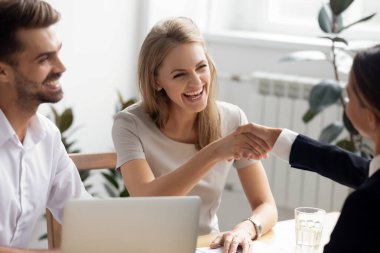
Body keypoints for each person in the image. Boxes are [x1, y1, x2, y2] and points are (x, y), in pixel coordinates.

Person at [112, 17, 277, 253]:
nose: (196, 82)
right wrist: (216, 151)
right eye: (180, 75)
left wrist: (246, 228)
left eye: (201, 67)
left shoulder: (232, 118)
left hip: (205, 247)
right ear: (156, 81)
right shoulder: (129, 124)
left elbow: (266, 205)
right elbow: (148, 201)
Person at [236, 45, 380, 252]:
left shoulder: (365, 205)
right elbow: (362, 170)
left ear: (370, 118)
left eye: (349, 97)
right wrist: (282, 140)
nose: (345, 104)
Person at [0, 0, 91, 252]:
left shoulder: (46, 136)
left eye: (57, 53)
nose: (61, 68)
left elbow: (83, 216)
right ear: (2, 71)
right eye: (44, 59)